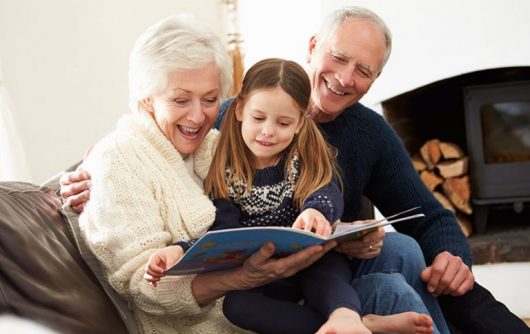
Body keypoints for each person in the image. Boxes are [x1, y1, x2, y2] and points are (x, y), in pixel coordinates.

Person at [61, 6, 530, 334]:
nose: (346, 77)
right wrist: (81, 172)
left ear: (376, 80)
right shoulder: (230, 123)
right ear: (312, 46)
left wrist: (451, 255)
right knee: (393, 274)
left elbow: (427, 215)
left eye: (364, 71)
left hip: (325, 259)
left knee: (411, 252)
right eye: (339, 58)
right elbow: (150, 146)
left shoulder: (367, 132)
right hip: (267, 277)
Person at [75, 14, 339, 334]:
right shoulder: (116, 161)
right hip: (208, 324)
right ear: (147, 99)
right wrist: (242, 278)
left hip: (278, 301)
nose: (199, 116)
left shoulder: (217, 144)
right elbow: (143, 287)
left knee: (391, 263)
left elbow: (293, 183)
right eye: (181, 100)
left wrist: (325, 222)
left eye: (211, 99)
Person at [144, 58, 437, 334]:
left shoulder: (303, 159)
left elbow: (325, 192)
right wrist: (181, 250)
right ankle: (365, 325)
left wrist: (316, 212)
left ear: (299, 123)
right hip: (265, 274)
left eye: (283, 123)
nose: (268, 132)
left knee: (326, 270)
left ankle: (344, 316)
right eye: (258, 118)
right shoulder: (224, 168)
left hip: (311, 262)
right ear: (239, 110)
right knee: (237, 305)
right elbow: (221, 230)